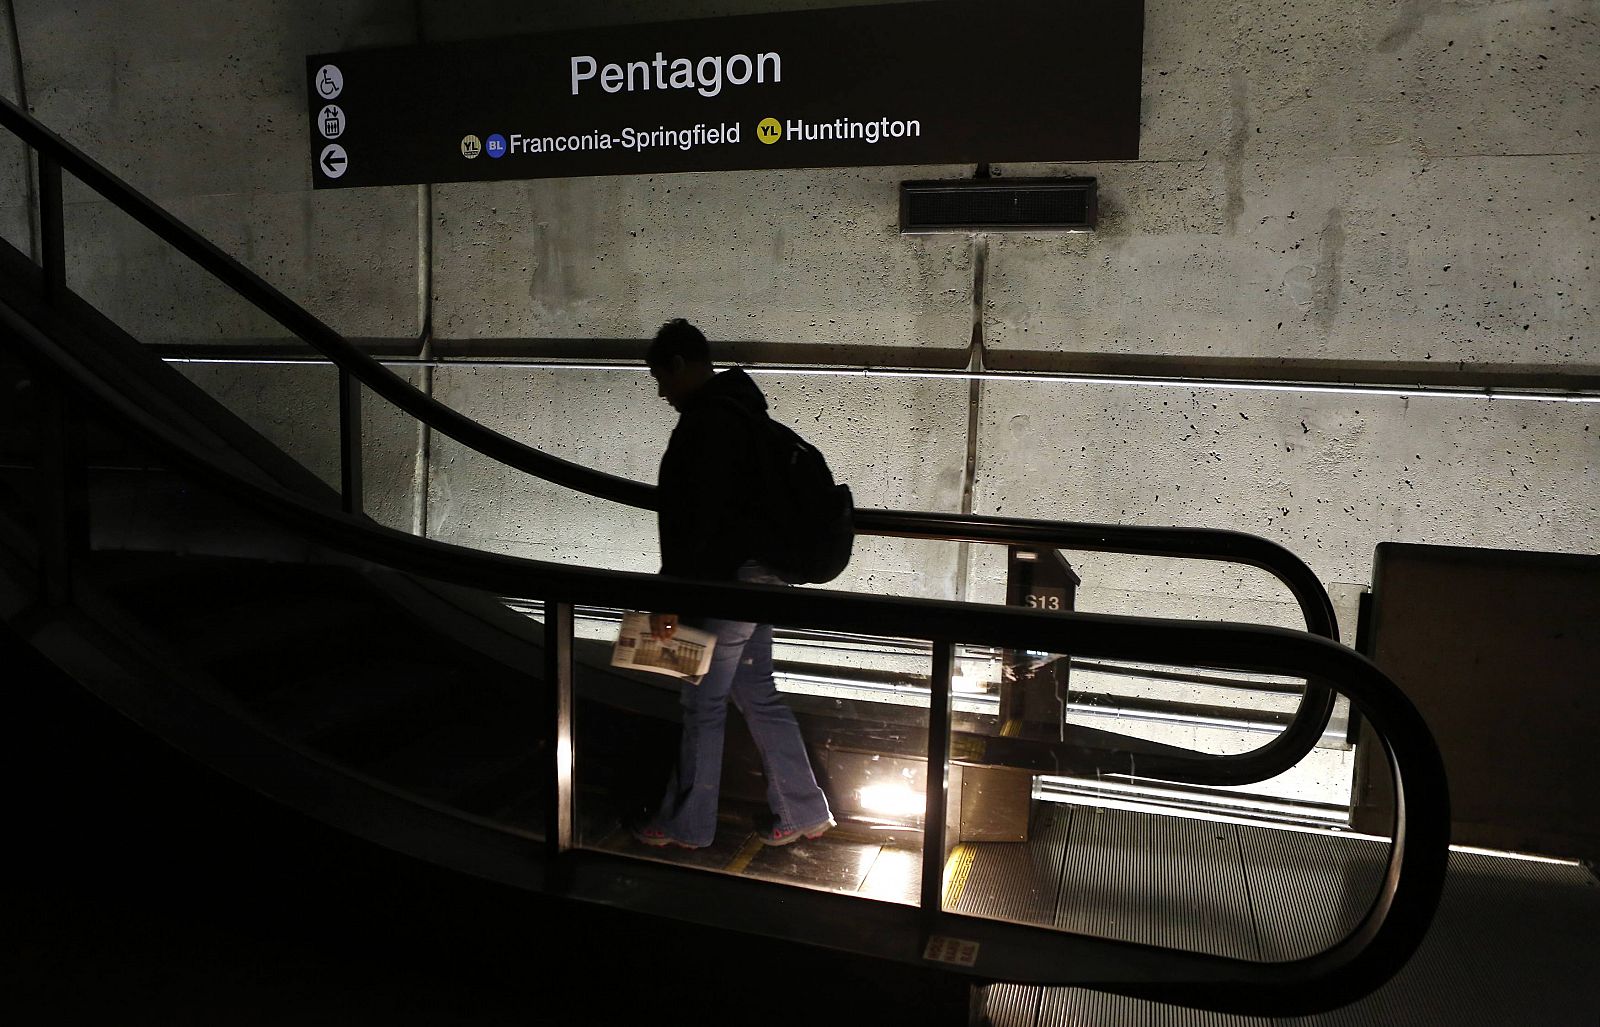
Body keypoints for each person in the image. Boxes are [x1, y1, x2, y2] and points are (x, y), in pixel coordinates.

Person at [632, 318, 834, 850]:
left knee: (702, 702)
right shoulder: (743, 412)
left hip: (728, 581)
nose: (661, 392)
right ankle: (803, 810)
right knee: (756, 691)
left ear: (679, 365)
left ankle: (687, 824)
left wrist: (670, 597)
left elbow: (696, 524)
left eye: (661, 378)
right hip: (759, 575)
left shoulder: (707, 424)